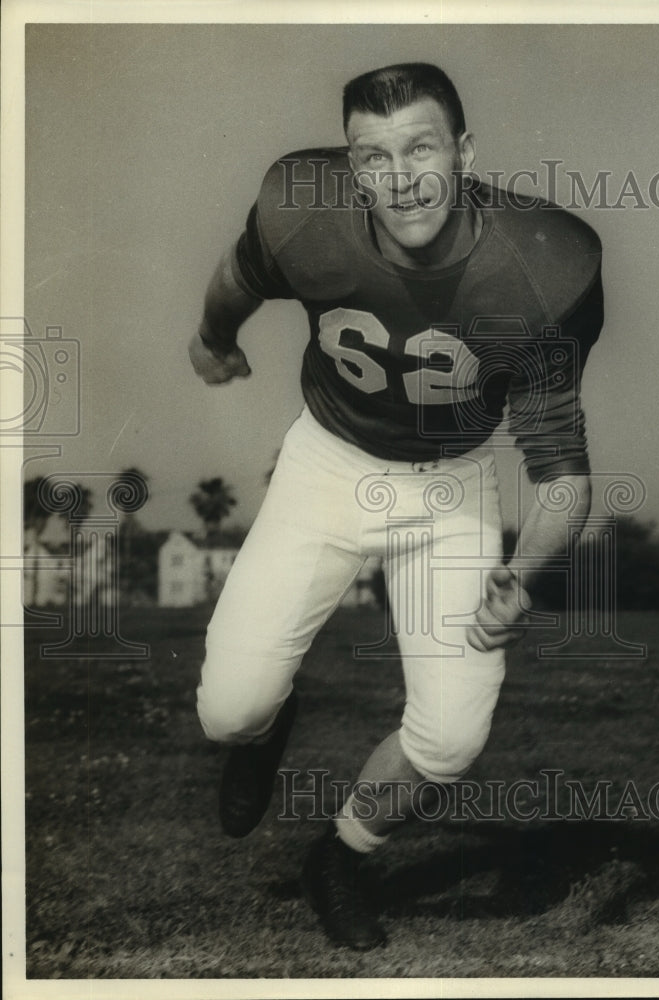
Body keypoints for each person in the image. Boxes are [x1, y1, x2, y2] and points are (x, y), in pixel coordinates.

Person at [189, 62, 603, 951]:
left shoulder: (542, 264)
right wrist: (213, 338)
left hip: (451, 484)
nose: (401, 176)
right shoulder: (304, 208)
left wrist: (521, 577)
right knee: (228, 711)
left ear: (464, 151)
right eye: (372, 157)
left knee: (451, 738)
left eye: (421, 147)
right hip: (327, 464)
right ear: (350, 165)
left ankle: (339, 854)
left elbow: (562, 471)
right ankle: (267, 728)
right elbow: (238, 274)